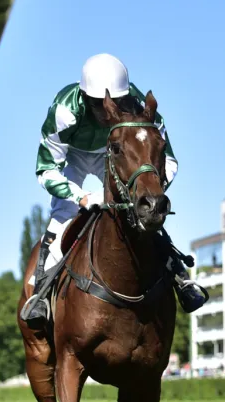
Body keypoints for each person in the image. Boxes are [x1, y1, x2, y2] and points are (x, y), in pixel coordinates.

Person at [20, 53, 208, 327]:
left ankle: (180, 276)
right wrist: (81, 197)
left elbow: (168, 159)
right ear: (85, 97)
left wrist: (149, 192)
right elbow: (46, 170)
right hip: (72, 157)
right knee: (62, 214)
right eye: (98, 103)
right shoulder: (64, 110)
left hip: (117, 153)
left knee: (144, 212)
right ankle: (41, 291)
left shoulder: (139, 104)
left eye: (116, 102)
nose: (108, 109)